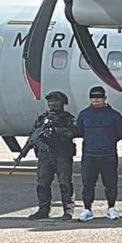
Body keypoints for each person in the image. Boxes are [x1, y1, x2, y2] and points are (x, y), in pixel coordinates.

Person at [75, 86, 122, 222]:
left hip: (108, 155)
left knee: (110, 183)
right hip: (89, 155)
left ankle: (111, 208)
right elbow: (80, 130)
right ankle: (87, 209)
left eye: (99, 97)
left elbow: (121, 132)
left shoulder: (113, 115)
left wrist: (108, 141)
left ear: (105, 98)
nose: (96, 99)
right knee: (87, 184)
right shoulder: (84, 114)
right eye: (93, 97)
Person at [27, 91, 77, 220]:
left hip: (62, 154)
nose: (52, 104)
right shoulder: (42, 119)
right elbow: (34, 134)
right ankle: (43, 210)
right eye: (50, 102)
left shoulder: (67, 118)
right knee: (42, 183)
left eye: (55, 102)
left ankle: (68, 210)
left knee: (65, 183)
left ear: (62, 103)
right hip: (45, 155)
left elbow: (73, 132)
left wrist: (56, 130)